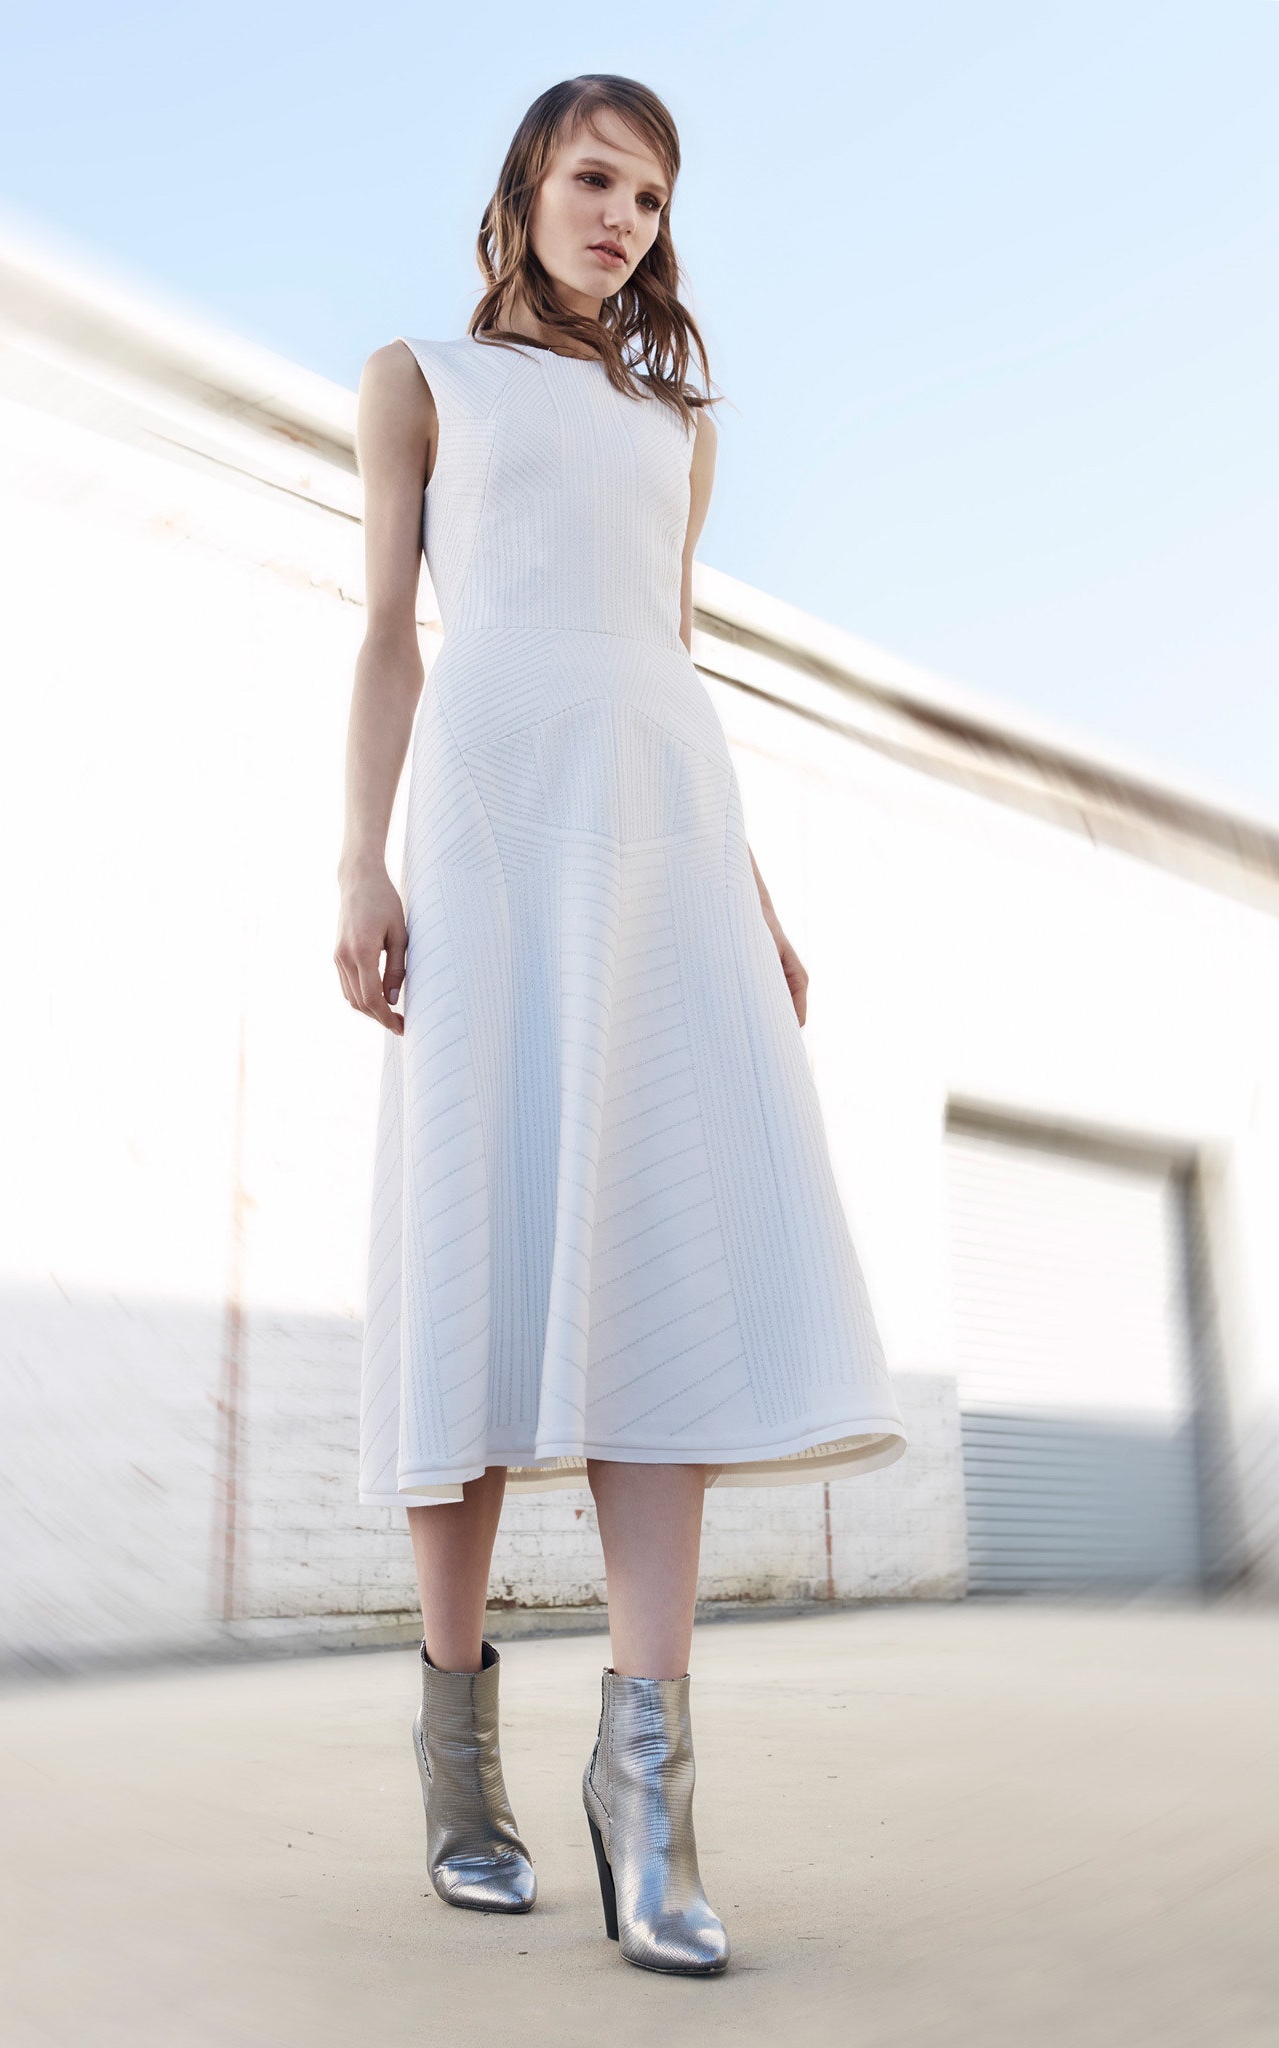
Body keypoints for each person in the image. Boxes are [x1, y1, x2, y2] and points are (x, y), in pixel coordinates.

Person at [335, 73, 907, 1978]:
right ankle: (457, 1760)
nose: (624, 219)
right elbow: (387, 638)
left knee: (654, 1257)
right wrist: (358, 862)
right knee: (480, 1268)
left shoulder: (676, 426)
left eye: (652, 197)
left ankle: (644, 1789)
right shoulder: (421, 377)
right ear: (525, 184)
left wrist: (752, 901)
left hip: (661, 844)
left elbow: (668, 658)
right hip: (494, 831)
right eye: (596, 179)